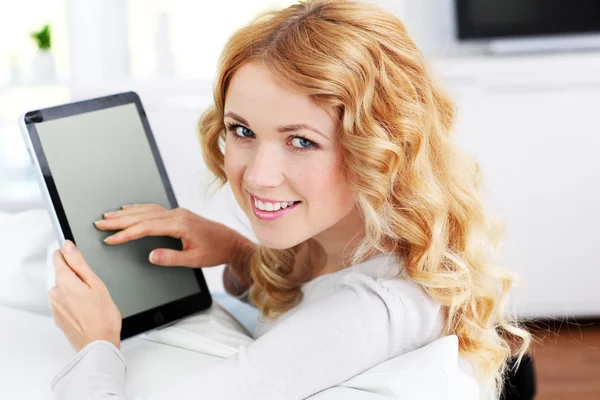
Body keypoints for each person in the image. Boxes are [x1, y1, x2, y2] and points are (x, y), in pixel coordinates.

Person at [48, 0, 532, 399]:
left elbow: (326, 326)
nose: (257, 176)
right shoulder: (364, 240)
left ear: (381, 148)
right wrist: (238, 252)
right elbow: (310, 295)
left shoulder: (370, 312)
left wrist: (95, 344)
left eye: (301, 141)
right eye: (242, 131)